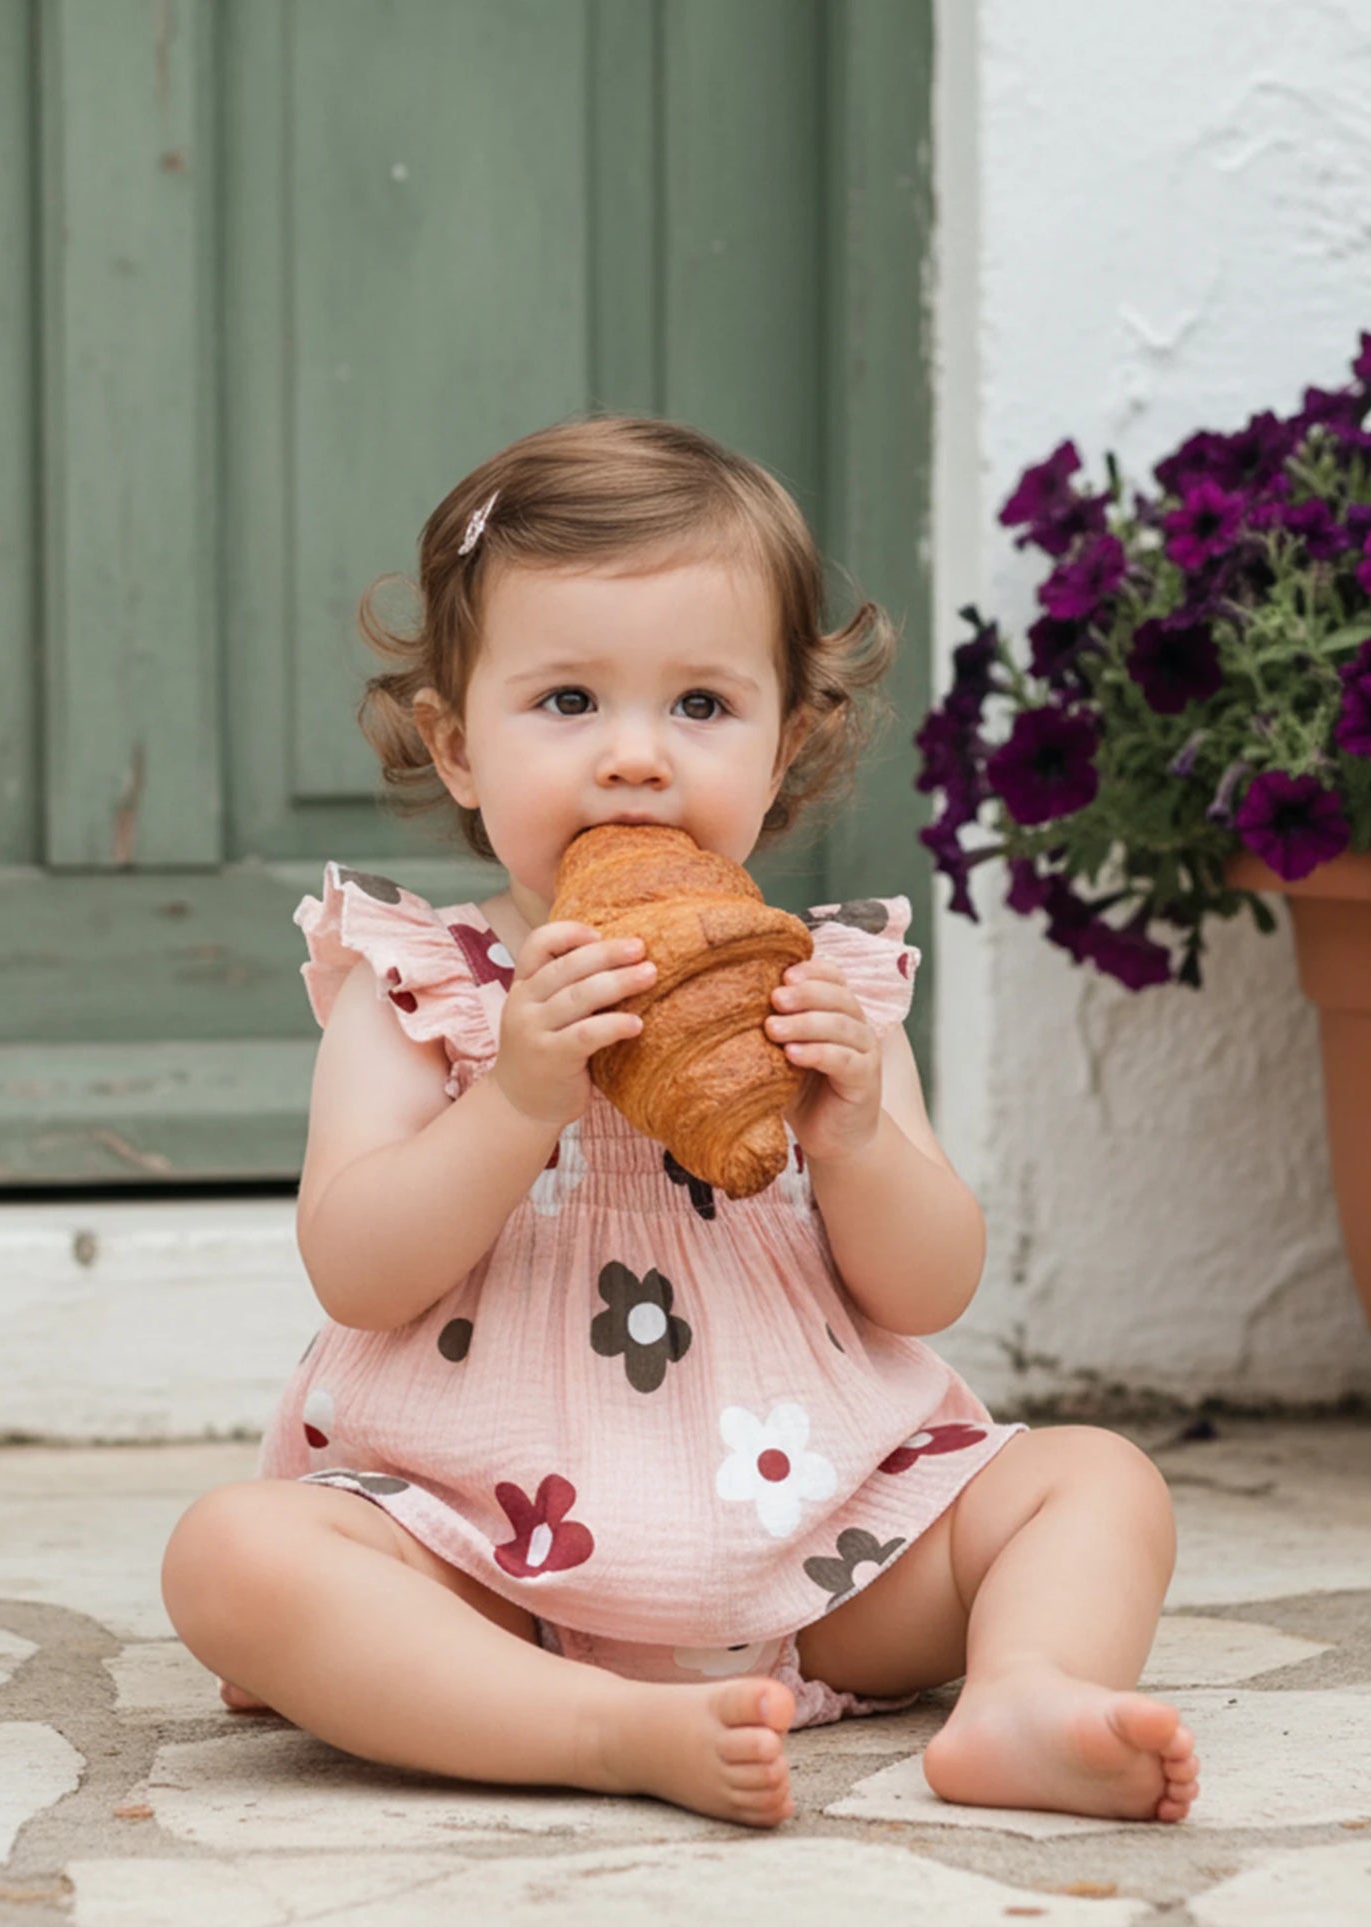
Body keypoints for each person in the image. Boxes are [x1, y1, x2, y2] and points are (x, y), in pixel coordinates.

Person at [161, 416, 1200, 1831]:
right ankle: (595, 1728)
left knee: (1095, 1480)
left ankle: (1023, 1694)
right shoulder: (420, 985)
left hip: (817, 1548)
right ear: (454, 745)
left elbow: (929, 1286)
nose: (637, 758)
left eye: (702, 707)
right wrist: (518, 1098)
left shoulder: (823, 986)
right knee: (235, 1557)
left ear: (793, 743)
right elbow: (359, 1267)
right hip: (488, 1555)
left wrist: (855, 1144)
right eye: (568, 702)